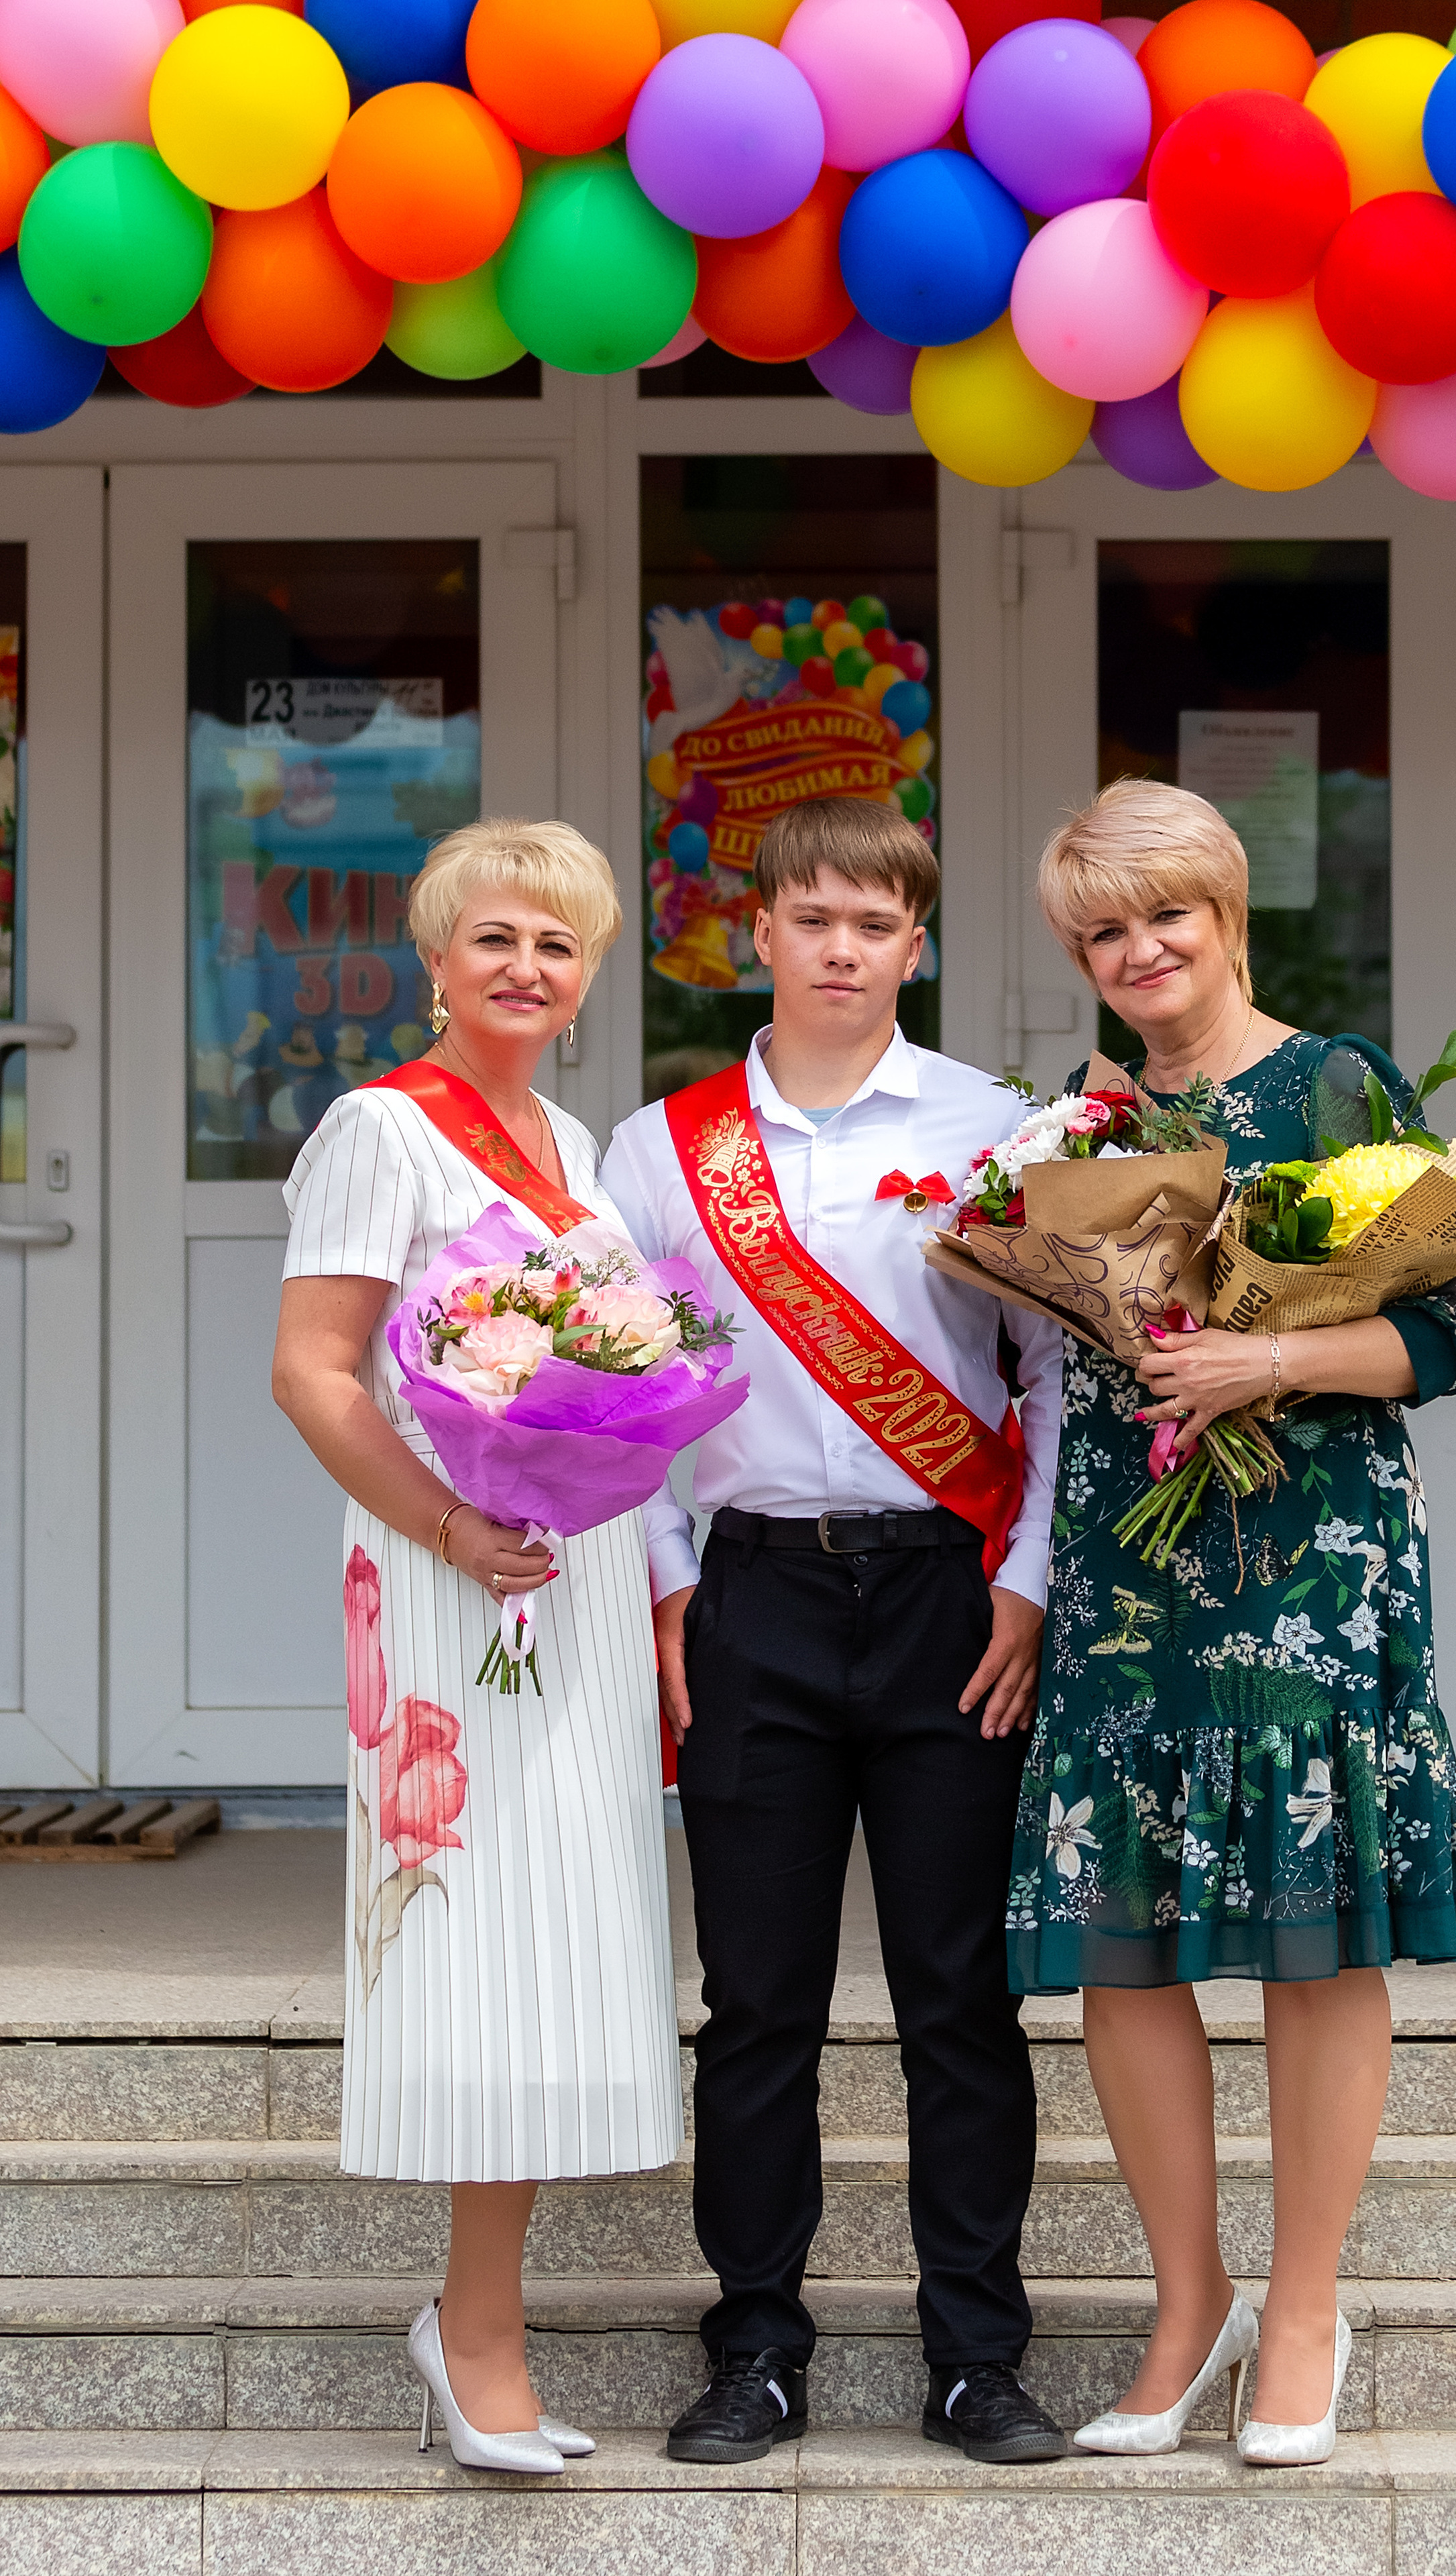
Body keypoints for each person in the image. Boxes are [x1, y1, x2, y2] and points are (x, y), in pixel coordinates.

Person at [1008, 779, 1456, 2468]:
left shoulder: (1333, 1081)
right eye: (1102, 931)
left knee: (1312, 1934)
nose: (1138, 950)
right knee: (1124, 1948)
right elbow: (1070, 1355)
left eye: (1165, 916)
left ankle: (1302, 2307)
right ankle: (1183, 2302)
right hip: (1127, 1574)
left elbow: (1449, 1338)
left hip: (1309, 1562)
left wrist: (1261, 1357)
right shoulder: (1073, 1122)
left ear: (1224, 913)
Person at [600, 797, 1069, 2469]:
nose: (843, 949)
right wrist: (667, 1589)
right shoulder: (662, 1147)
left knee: (959, 1995)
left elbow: (1051, 1379)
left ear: (915, 944)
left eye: (876, 922)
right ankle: (754, 2349)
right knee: (757, 2002)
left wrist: (1025, 1584)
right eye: (813, 919)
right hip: (752, 1594)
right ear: (760, 937)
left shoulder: (1000, 1126)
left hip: (950, 1596)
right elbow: (621, 1391)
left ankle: (974, 2357)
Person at [272, 818, 682, 2477]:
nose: (526, 968)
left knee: (556, 1929)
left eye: (558, 945)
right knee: (467, 1936)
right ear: (436, 961)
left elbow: (618, 1377)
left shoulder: (575, 1144)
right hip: (450, 1576)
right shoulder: (385, 1129)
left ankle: (480, 2314)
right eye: (495, 938)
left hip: (561, 1568)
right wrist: (452, 1528)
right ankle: (478, 2330)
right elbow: (317, 1371)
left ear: (585, 979)